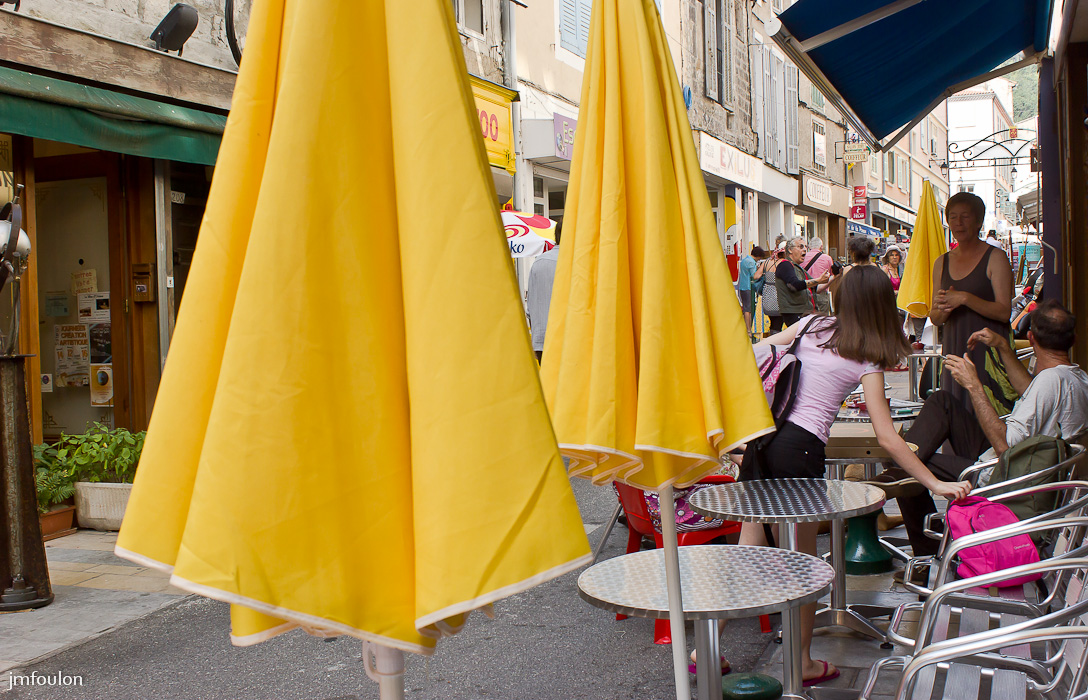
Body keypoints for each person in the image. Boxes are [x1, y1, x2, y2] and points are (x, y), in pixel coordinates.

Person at [737, 266, 970, 685]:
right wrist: (934, 484)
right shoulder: (866, 355)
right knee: (804, 565)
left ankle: (706, 647)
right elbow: (888, 438)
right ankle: (803, 663)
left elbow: (753, 353)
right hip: (800, 452)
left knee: (748, 549)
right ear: (881, 306)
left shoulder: (810, 324)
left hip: (763, 440)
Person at [875, 300, 1088, 556]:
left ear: (1030, 337)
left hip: (1006, 476)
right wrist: (1001, 346)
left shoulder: (1050, 382)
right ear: (1073, 339)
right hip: (1019, 464)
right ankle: (894, 471)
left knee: (910, 469)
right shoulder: (1074, 377)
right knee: (942, 402)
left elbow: (1004, 447)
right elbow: (1030, 390)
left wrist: (973, 385)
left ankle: (924, 548)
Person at [930, 192, 1016, 414]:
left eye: (965, 217)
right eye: (953, 217)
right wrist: (945, 308)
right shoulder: (942, 262)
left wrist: (965, 298)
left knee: (992, 412)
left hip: (989, 352)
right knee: (956, 414)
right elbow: (936, 317)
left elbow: (1004, 312)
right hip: (955, 350)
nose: (958, 223)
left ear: (978, 221)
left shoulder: (996, 257)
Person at [526, 220, 561, 362]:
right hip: (569, 341)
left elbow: (530, 309)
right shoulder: (578, 261)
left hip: (541, 342)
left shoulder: (539, 262)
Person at [774, 237, 827, 329]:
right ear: (790, 250)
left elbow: (817, 288)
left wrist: (835, 276)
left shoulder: (798, 268)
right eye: (801, 246)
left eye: (805, 247)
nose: (804, 250)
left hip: (804, 312)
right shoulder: (785, 265)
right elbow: (794, 285)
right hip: (795, 313)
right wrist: (818, 280)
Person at [737, 246, 768, 338]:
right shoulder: (751, 262)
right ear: (758, 256)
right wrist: (762, 272)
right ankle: (749, 329)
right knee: (748, 309)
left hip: (742, 286)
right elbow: (754, 276)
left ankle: (747, 328)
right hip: (748, 287)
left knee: (746, 307)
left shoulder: (745, 259)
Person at [757, 244, 786, 335]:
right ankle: (776, 341)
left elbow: (756, 276)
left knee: (773, 322)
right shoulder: (784, 263)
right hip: (778, 295)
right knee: (779, 322)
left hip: (767, 295)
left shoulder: (766, 262)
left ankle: (773, 338)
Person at [802, 237, 835, 313]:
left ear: (809, 247)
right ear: (821, 247)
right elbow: (831, 275)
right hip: (821, 292)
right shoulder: (827, 258)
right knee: (822, 320)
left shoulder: (803, 258)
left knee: (807, 319)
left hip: (806, 292)